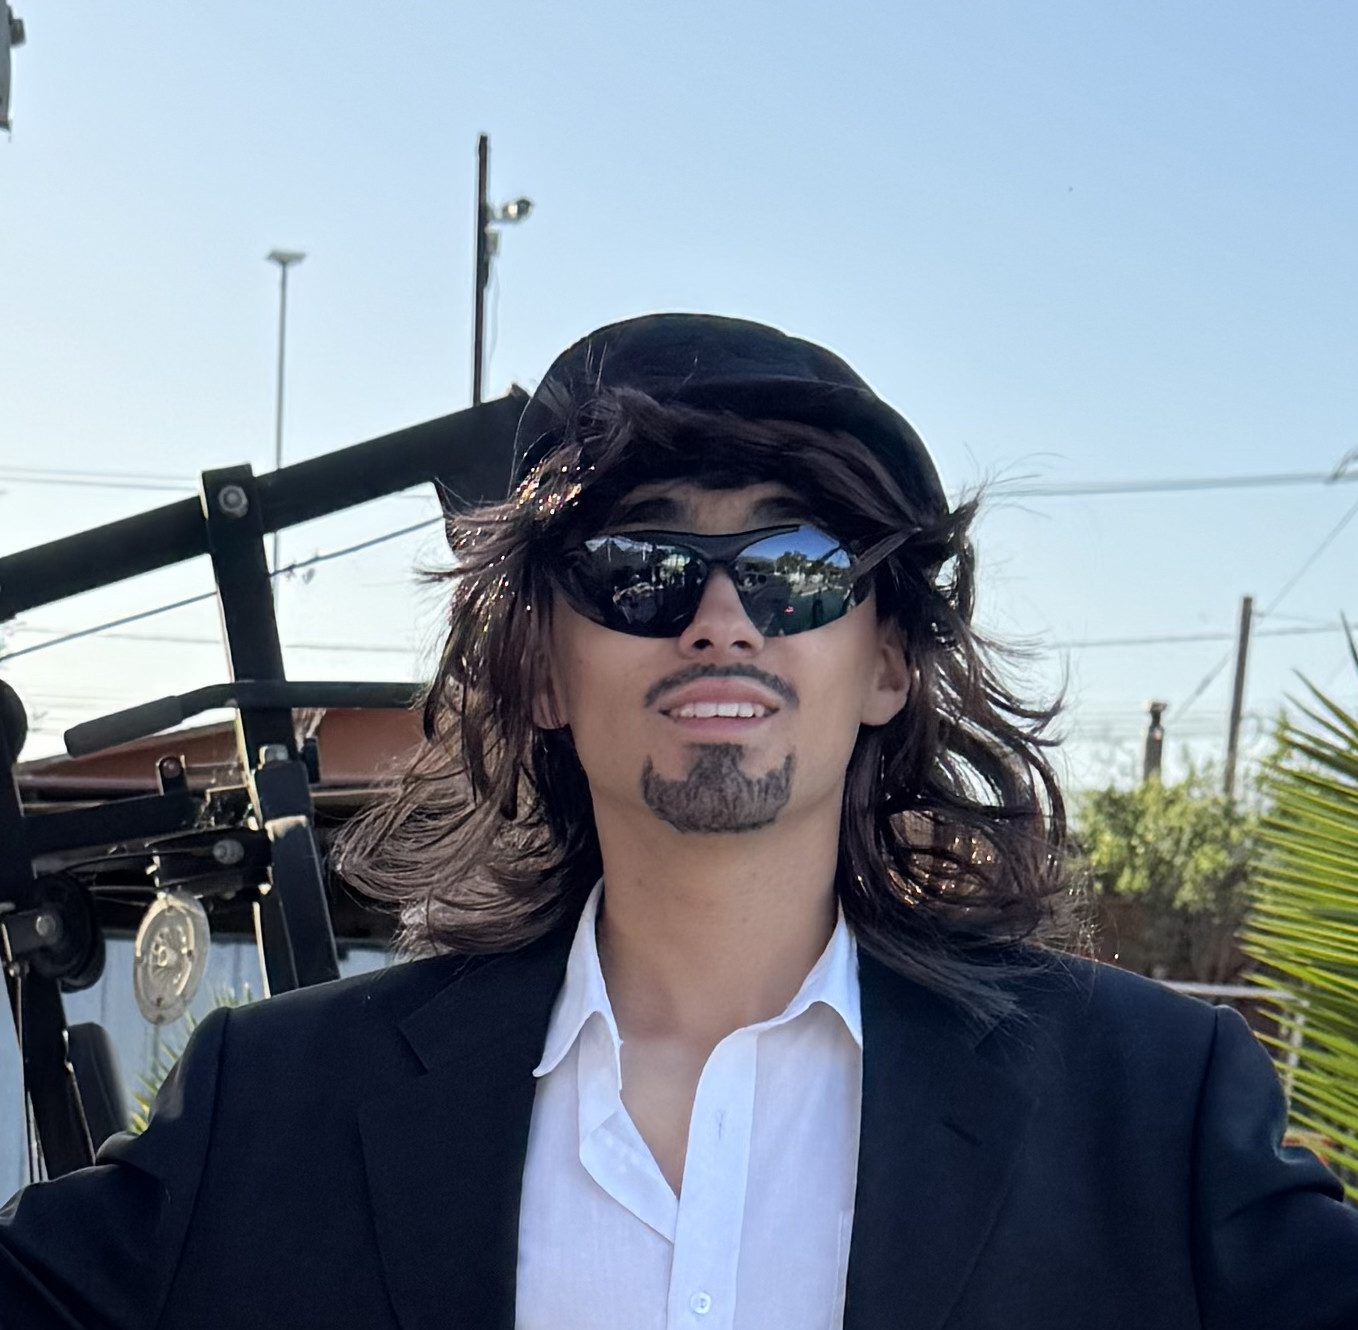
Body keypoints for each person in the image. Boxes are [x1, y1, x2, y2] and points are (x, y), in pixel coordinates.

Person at [2, 313, 1356, 1329]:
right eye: (639, 566)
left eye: (795, 565)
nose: (720, 618)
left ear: (887, 662)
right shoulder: (273, 1107)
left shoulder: (1151, 1109)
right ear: (539, 667)